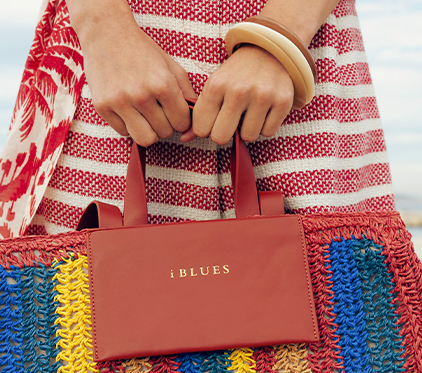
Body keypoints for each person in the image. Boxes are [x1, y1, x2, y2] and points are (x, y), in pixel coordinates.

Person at [0, 0, 395, 237]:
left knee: (337, 312)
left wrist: (284, 34)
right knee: (73, 321)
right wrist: (102, 27)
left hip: (300, 56)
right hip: (112, 62)